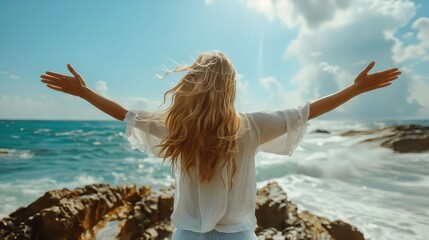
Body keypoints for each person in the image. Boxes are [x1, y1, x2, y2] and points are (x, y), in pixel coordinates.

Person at [40, 51, 401, 240]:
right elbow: (306, 113)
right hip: (238, 235)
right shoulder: (252, 125)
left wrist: (84, 92)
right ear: (230, 86)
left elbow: (126, 115)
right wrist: (356, 88)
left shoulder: (177, 126)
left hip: (187, 235)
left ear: (192, 83)